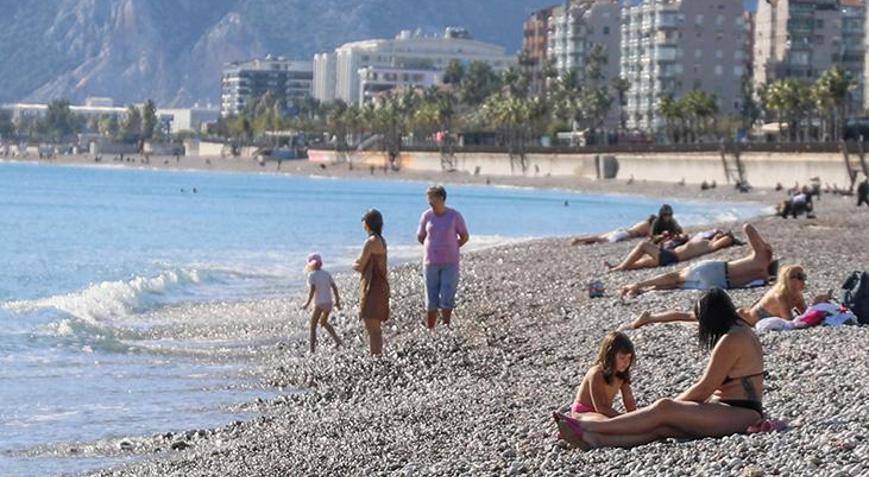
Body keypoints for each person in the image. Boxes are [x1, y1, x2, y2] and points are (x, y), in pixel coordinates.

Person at [554, 288, 764, 449]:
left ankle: (588, 427)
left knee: (664, 408)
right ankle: (595, 439)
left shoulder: (731, 340)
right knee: (664, 427)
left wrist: (670, 407)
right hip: (732, 409)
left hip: (740, 413)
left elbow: (704, 389)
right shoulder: (742, 329)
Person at [622, 264, 821, 330]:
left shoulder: (795, 295)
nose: (803, 281)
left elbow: (804, 316)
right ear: (790, 280)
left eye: (803, 277)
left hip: (742, 320)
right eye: (800, 277)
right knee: (692, 318)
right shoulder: (780, 296)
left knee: (694, 319)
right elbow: (791, 323)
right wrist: (815, 310)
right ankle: (650, 318)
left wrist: (818, 307)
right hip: (737, 319)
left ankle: (652, 318)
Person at [620, 224, 775, 298]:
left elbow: (747, 227)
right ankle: (644, 292)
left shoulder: (760, 256)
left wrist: (763, 244)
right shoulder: (763, 278)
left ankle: (638, 285)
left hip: (716, 270)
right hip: (719, 284)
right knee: (677, 287)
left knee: (676, 277)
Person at [417, 185, 469, 329]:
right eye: (428, 198)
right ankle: (431, 328)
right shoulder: (426, 216)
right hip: (430, 262)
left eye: (432, 197)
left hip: (450, 262)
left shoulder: (454, 216)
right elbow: (421, 236)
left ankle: (446, 325)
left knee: (447, 293)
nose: (429, 201)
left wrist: (452, 246)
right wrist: (432, 247)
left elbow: (464, 236)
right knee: (431, 295)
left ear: (441, 198)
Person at [569, 332, 637, 420]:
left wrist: (634, 416)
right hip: (583, 412)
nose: (626, 362)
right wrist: (623, 418)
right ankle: (570, 426)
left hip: (602, 413)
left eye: (629, 358)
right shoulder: (597, 373)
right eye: (622, 358)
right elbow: (600, 407)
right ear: (610, 356)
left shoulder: (621, 374)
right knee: (605, 421)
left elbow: (628, 399)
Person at [607, 229, 741, 271]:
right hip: (670, 256)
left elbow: (727, 239)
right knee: (641, 262)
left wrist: (728, 237)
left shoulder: (711, 245)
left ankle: (620, 268)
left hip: (672, 256)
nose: (719, 234)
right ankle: (617, 267)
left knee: (643, 245)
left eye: (721, 235)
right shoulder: (707, 242)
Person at [354, 209, 390, 355]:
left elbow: (360, 264)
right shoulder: (382, 240)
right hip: (381, 285)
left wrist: (354, 264)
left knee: (372, 327)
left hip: (372, 287)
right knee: (376, 328)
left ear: (368, 224)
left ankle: (375, 356)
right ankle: (377, 355)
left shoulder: (370, 242)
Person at [300, 253, 343, 353]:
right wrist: (337, 301)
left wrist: (307, 304)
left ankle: (312, 350)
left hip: (319, 303)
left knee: (313, 326)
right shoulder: (326, 274)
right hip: (328, 302)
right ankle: (337, 341)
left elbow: (312, 291)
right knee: (323, 322)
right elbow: (334, 287)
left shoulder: (312, 275)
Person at [571, 215, 656, 246]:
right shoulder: (647, 225)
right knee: (603, 240)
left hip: (622, 230)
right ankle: (581, 240)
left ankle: (581, 240)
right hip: (625, 234)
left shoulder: (642, 222)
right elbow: (650, 235)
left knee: (600, 238)